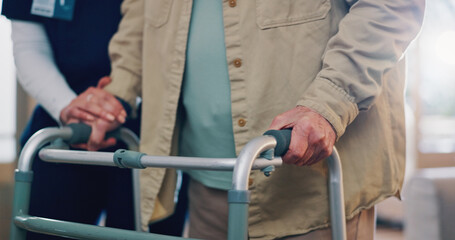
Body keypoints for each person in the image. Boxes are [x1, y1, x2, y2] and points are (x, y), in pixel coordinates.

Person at [62, 0, 425, 239]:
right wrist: (113, 98)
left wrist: (328, 104)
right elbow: (142, 16)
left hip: (313, 188)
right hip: (206, 180)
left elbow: (389, 7)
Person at [1, 0, 187, 238]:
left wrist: (117, 102)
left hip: (151, 124)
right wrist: (70, 108)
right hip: (62, 126)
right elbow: (29, 45)